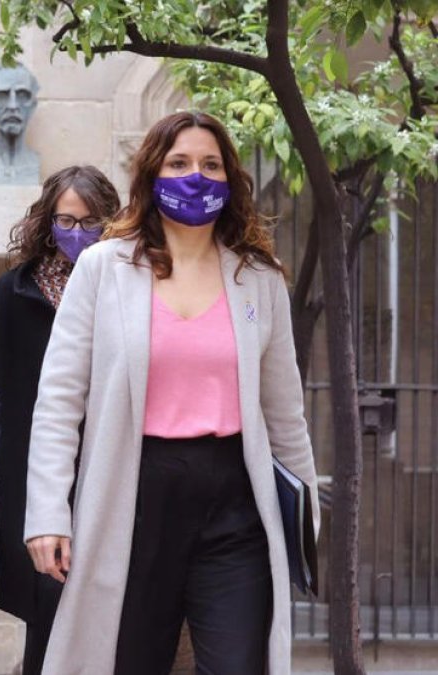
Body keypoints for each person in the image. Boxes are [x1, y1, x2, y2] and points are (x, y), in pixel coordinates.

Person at [24, 111, 320, 674]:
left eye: (211, 165)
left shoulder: (258, 276)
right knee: (128, 660)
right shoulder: (103, 268)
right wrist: (46, 513)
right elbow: (59, 402)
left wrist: (306, 523)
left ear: (230, 179)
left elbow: (285, 414)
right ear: (151, 173)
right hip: (133, 496)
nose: (196, 177)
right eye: (179, 163)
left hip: (236, 505)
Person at [0, 165, 119, 674]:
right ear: (47, 221)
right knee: (46, 602)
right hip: (31, 471)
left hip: (110, 462)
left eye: (91, 223)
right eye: (67, 220)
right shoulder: (14, 293)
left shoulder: (131, 285)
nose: (77, 233)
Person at [0, 64, 41, 185]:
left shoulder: (34, 162)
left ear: (33, 107)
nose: (13, 106)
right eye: (2, 96)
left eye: (22, 96)